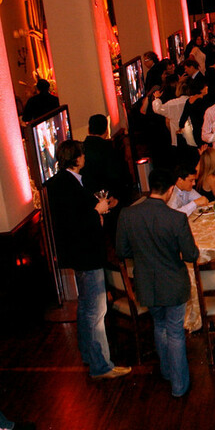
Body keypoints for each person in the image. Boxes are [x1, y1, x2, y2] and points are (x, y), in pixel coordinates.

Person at [45, 140, 130, 381]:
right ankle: (101, 366)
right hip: (86, 255)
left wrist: (98, 209)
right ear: (76, 158)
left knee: (86, 308)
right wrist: (96, 212)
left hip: (81, 255)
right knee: (96, 311)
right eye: (82, 154)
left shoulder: (63, 182)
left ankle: (89, 355)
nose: (85, 157)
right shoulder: (65, 184)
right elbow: (74, 223)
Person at [116, 168, 199, 398]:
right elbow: (191, 255)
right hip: (173, 284)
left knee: (160, 326)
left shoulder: (127, 215)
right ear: (170, 190)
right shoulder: (176, 218)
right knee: (174, 332)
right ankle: (179, 386)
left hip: (146, 284)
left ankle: (167, 372)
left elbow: (122, 251)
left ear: (150, 187)